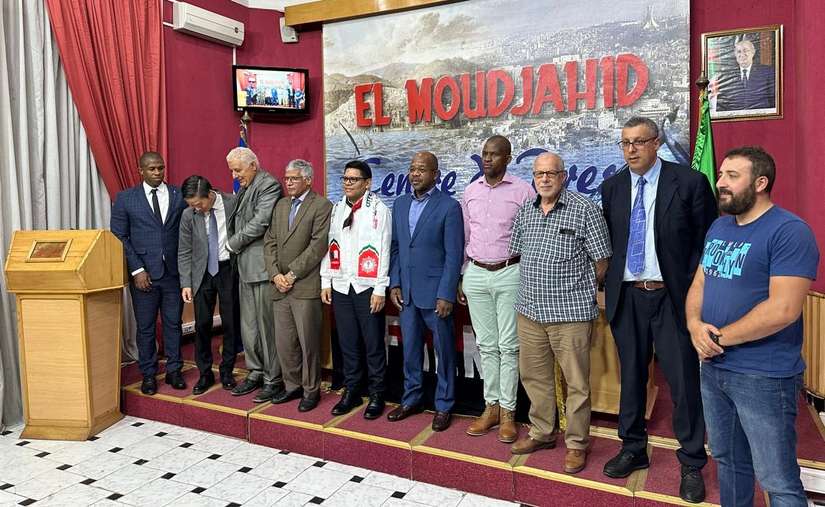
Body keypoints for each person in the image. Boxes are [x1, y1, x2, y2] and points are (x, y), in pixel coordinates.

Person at [686, 146, 819, 507]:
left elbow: (783, 309)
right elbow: (700, 282)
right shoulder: (719, 226)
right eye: (721, 174)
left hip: (763, 375)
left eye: (732, 176)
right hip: (714, 367)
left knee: (777, 479)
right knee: (728, 461)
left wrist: (717, 338)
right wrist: (695, 325)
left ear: (761, 183)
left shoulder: (790, 231)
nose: (720, 182)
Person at [601, 117, 718, 503]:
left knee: (683, 383)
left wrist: (696, 295)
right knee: (632, 378)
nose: (631, 150)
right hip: (629, 297)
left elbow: (707, 242)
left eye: (638, 142)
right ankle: (633, 447)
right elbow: (613, 244)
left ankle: (691, 461)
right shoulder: (612, 187)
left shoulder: (689, 182)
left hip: (673, 298)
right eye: (625, 143)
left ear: (656, 143)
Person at [507, 153, 611, 474]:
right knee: (534, 377)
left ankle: (577, 443)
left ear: (563, 176)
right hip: (530, 312)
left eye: (551, 173)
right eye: (539, 173)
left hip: (570, 315)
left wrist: (576, 290)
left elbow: (602, 261)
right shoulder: (525, 211)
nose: (545, 179)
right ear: (533, 177)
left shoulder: (585, 209)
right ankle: (542, 432)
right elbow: (519, 254)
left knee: (577, 383)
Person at [458, 135, 535, 443]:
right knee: (486, 345)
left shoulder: (523, 191)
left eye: (494, 154)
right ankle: (490, 407)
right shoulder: (470, 191)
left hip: (509, 272)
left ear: (508, 158)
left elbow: (532, 236)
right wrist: (463, 275)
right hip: (476, 273)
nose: (487, 159)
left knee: (509, 346)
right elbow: (466, 236)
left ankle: (508, 413)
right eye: (484, 154)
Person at [387, 151, 464, 432]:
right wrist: (395, 282)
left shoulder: (449, 207)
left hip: (435, 296)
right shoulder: (400, 204)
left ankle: (444, 404)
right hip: (407, 294)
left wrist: (446, 294)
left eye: (421, 169)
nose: (415, 174)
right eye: (412, 169)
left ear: (436, 175)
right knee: (410, 351)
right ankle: (412, 399)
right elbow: (397, 248)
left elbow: (454, 255)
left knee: (444, 353)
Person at [110, 151, 187, 395]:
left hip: (173, 273)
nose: (157, 172)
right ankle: (149, 375)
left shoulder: (178, 195)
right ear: (140, 170)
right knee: (145, 328)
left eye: (160, 168)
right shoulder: (125, 199)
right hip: (144, 275)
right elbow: (119, 235)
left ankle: (174, 370)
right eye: (152, 169)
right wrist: (137, 269)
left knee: (174, 324)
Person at [321, 160, 392, 419]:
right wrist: (326, 281)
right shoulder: (337, 208)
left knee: (373, 344)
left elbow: (384, 250)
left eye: (353, 179)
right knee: (348, 343)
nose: (347, 183)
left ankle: (377, 393)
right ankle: (351, 390)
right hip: (342, 284)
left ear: (367, 183)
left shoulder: (379, 210)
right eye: (345, 178)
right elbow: (330, 245)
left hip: (367, 287)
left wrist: (380, 288)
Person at [264, 159, 332, 412]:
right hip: (279, 286)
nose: (289, 182)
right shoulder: (281, 205)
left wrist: (291, 275)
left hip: (304, 286)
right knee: (285, 343)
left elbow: (318, 246)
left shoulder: (322, 205)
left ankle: (311, 390)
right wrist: (275, 275)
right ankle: (292, 386)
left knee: (308, 343)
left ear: (308, 180)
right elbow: (269, 242)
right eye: (287, 178)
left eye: (294, 178)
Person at [226, 147, 284, 403]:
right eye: (232, 171)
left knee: (266, 327)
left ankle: (273, 378)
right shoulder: (246, 186)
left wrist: (232, 244)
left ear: (253, 165)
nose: (234, 175)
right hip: (245, 268)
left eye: (237, 170)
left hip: (261, 268)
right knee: (249, 327)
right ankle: (255, 371)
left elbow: (261, 221)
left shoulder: (268, 184)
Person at [177, 175, 240, 395]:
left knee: (231, 322)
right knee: (202, 324)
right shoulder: (188, 215)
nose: (196, 208)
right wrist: (186, 283)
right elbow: (184, 250)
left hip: (228, 269)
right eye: (191, 205)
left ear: (210, 194)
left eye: (199, 204)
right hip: (202, 272)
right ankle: (205, 373)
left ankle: (227, 371)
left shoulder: (232, 203)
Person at [712, 39, 775, 112]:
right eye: (739, 52)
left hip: (762, 117)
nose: (742, 54)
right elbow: (722, 104)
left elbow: (774, 100)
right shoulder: (727, 76)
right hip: (734, 118)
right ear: (735, 54)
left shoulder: (767, 72)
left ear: (753, 52)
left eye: (745, 50)